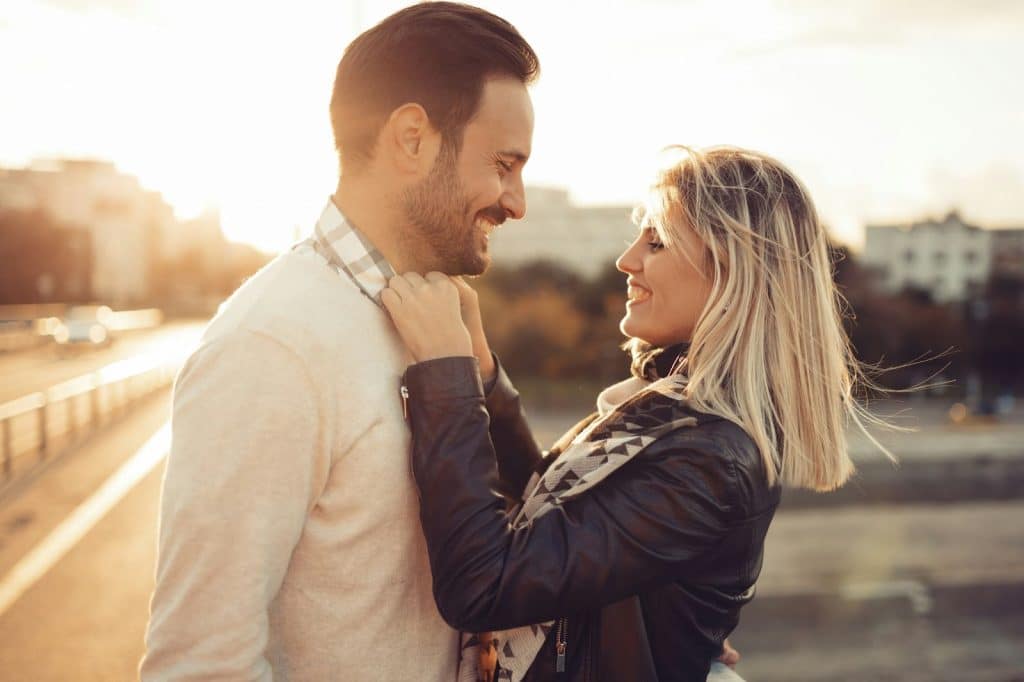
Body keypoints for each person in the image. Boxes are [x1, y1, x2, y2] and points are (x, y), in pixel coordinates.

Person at [139, 4, 539, 680]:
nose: (516, 200)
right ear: (412, 138)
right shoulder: (272, 344)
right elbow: (201, 663)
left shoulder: (433, 322)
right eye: (503, 164)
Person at [383, 146, 874, 681]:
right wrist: (481, 375)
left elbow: (485, 584)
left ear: (733, 273)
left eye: (657, 240)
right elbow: (550, 511)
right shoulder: (660, 412)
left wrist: (445, 380)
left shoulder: (707, 458)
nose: (627, 260)